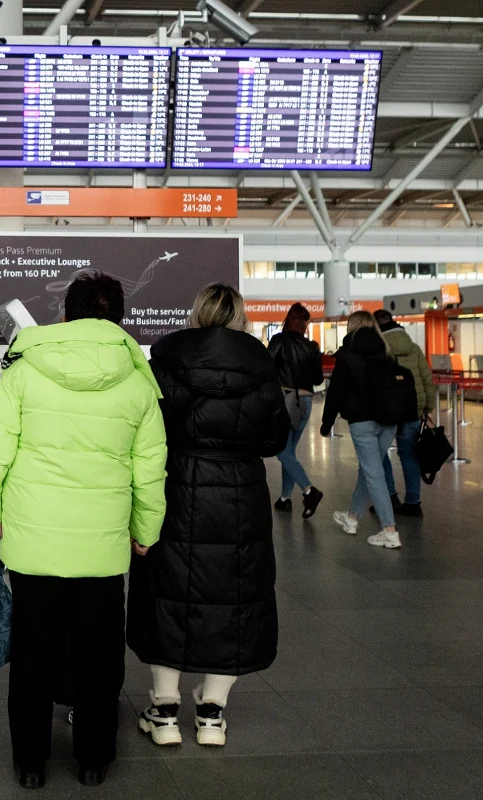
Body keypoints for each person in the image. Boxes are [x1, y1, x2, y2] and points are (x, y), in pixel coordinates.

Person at [0, 272, 167, 790]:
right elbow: (149, 466)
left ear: (65, 314)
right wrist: (147, 528)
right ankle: (93, 759)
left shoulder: (25, 370)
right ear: (119, 318)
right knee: (99, 656)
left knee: (32, 653)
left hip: (33, 544)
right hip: (102, 547)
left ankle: (31, 763)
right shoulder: (138, 379)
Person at [127, 284, 289, 749]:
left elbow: (148, 426)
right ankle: (212, 715)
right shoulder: (260, 366)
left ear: (197, 313)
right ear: (239, 316)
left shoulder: (166, 361)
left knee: (167, 593)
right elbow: (275, 438)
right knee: (236, 597)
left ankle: (163, 712)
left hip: (175, 486)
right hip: (240, 495)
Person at [320, 311, 404, 549]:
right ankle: (352, 518)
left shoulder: (347, 354)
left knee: (373, 473)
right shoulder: (386, 350)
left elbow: (336, 391)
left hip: (362, 422)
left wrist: (327, 424)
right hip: (388, 421)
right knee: (369, 470)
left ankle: (389, 531)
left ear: (352, 326)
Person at [374, 309, 436, 517]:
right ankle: (413, 502)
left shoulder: (378, 348)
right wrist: (428, 405)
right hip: (412, 408)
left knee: (379, 453)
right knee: (409, 454)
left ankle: (390, 496)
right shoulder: (414, 348)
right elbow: (427, 378)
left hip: (386, 410)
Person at [268, 302, 325, 517]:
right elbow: (318, 378)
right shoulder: (312, 347)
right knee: (289, 451)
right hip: (306, 402)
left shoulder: (278, 341)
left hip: (285, 400)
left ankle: (309, 490)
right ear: (304, 323)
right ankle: (285, 498)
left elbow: (268, 368)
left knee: (282, 450)